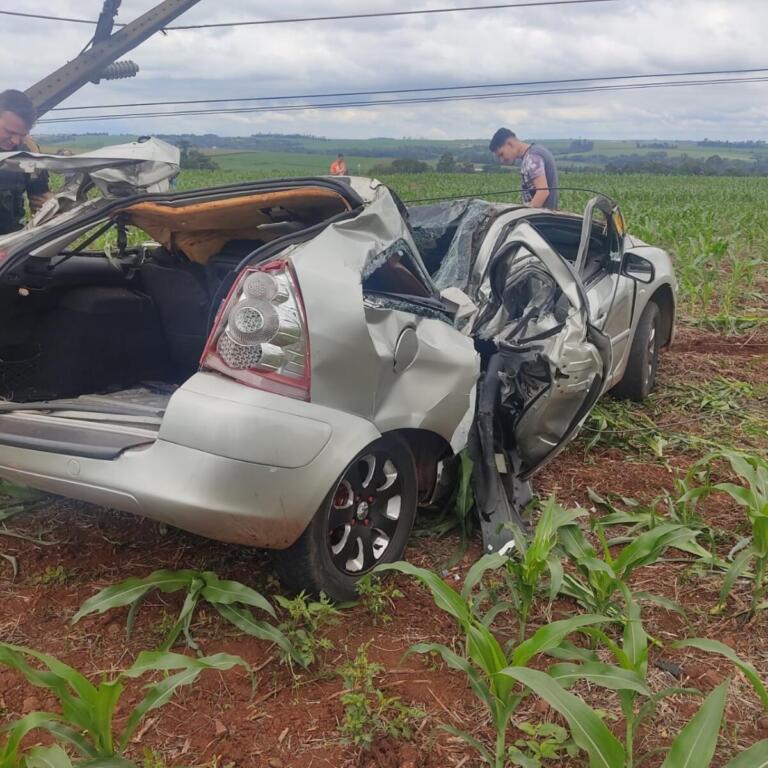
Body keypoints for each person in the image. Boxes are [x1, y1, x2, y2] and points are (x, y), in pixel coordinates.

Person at [0, 89, 51, 235]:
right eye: (10, 132)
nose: (15, 141)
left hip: (10, 245)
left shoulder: (28, 153)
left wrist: (54, 208)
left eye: (22, 134)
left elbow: (41, 200)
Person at [489, 128, 559, 209]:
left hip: (541, 219)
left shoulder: (532, 157)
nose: (501, 160)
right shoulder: (536, 151)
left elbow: (543, 192)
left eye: (501, 154)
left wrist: (523, 214)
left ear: (510, 144)